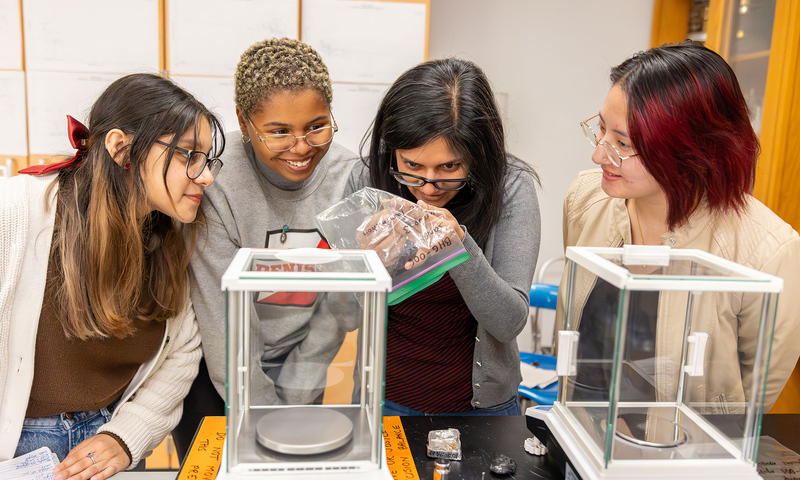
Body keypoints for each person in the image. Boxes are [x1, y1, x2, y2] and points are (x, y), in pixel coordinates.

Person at [0, 73, 224, 479]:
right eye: (188, 155)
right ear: (122, 148)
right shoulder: (15, 212)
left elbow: (182, 354)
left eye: (206, 159)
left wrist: (124, 437)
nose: (206, 176)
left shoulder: (170, 233)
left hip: (109, 446)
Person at [559, 41, 800, 411]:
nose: (597, 154)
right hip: (580, 437)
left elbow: (751, 401)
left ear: (688, 148)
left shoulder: (768, 252)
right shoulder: (587, 199)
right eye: (601, 130)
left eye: (621, 142)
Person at [177, 37, 358, 455]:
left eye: (317, 126)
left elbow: (339, 307)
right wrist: (263, 416)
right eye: (279, 132)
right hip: (216, 372)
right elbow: (222, 320)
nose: (301, 148)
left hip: (306, 361)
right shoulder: (215, 184)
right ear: (244, 122)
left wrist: (297, 389)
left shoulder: (350, 177)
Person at [348, 57, 541, 416]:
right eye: (412, 166)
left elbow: (509, 322)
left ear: (479, 154)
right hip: (383, 400)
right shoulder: (367, 181)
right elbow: (344, 316)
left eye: (449, 167)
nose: (429, 186)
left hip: (484, 410)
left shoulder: (511, 186)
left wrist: (459, 244)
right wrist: (364, 265)